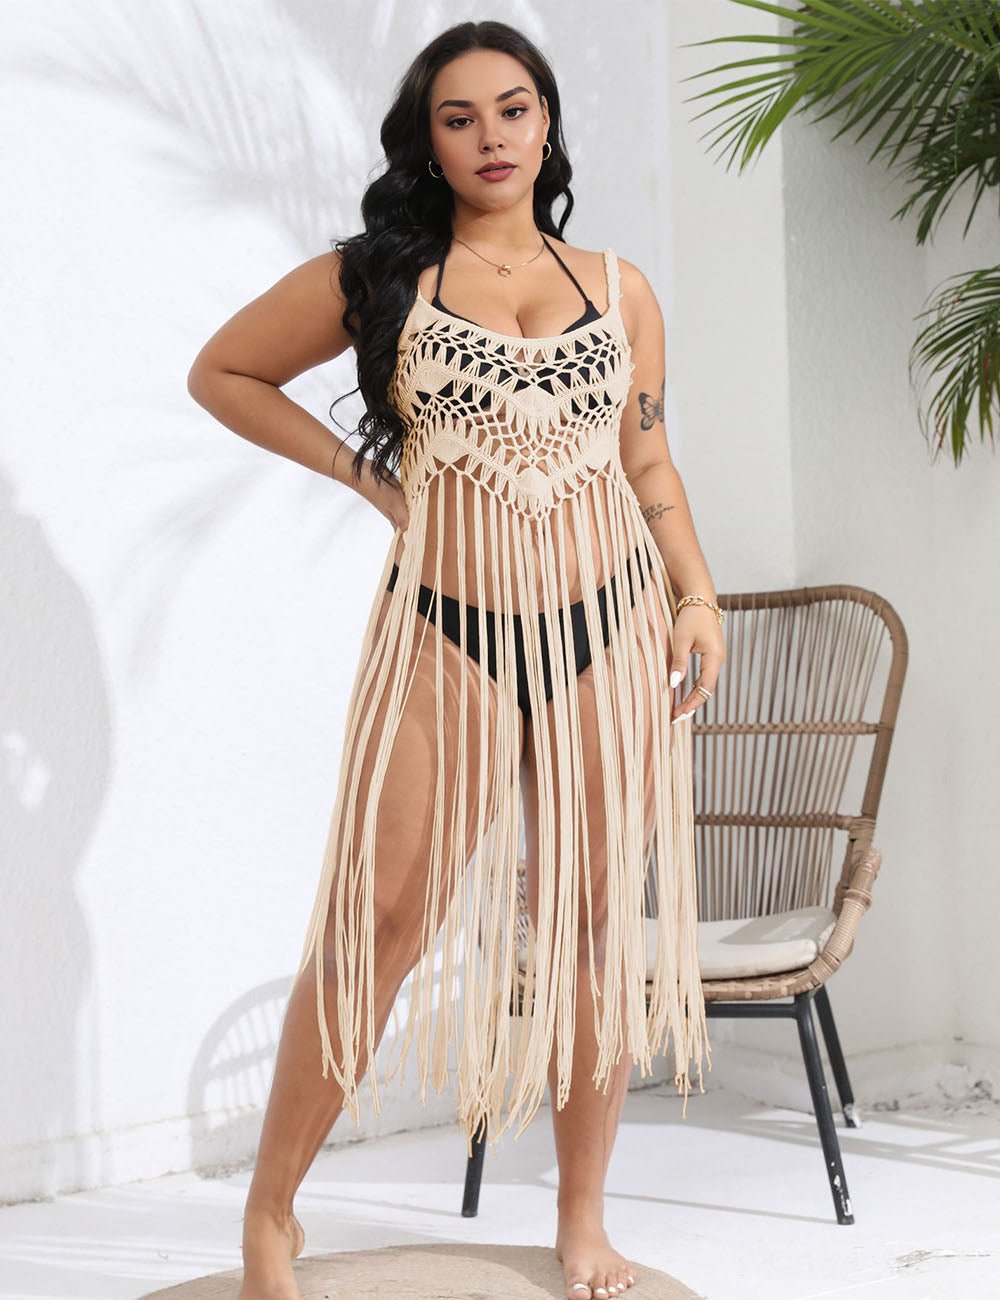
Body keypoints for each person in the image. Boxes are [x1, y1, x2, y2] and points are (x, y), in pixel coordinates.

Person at [187, 19, 725, 1300]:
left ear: (546, 125)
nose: (492, 136)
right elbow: (225, 372)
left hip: (605, 629)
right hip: (447, 633)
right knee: (375, 924)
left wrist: (696, 594)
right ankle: (270, 1215)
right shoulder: (379, 277)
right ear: (426, 142)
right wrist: (367, 478)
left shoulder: (620, 287)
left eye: (513, 108)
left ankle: (581, 1223)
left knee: (590, 925)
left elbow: (645, 457)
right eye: (459, 116)